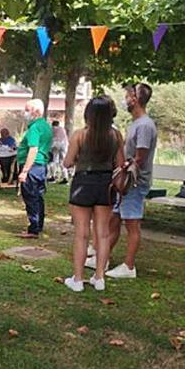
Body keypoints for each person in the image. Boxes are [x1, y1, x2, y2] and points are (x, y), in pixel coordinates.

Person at [62, 96, 125, 292]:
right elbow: (120, 164)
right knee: (103, 233)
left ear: (88, 114)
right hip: (105, 184)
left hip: (83, 182)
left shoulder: (80, 135)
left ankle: (78, 279)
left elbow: (67, 162)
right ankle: (99, 278)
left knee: (81, 233)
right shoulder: (115, 135)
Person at [106, 83, 157, 279]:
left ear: (135, 99)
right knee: (114, 219)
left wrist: (123, 170)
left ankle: (128, 266)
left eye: (127, 95)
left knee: (132, 224)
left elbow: (140, 157)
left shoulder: (144, 125)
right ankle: (105, 255)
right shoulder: (136, 123)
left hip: (133, 183)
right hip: (125, 182)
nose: (125, 98)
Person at [17, 99, 53, 239]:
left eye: (27, 110)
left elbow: (33, 149)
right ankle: (38, 225)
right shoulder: (45, 126)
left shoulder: (34, 128)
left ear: (35, 111)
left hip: (32, 166)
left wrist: (25, 170)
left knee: (30, 197)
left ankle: (33, 228)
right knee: (38, 197)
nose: (25, 113)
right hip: (41, 166)